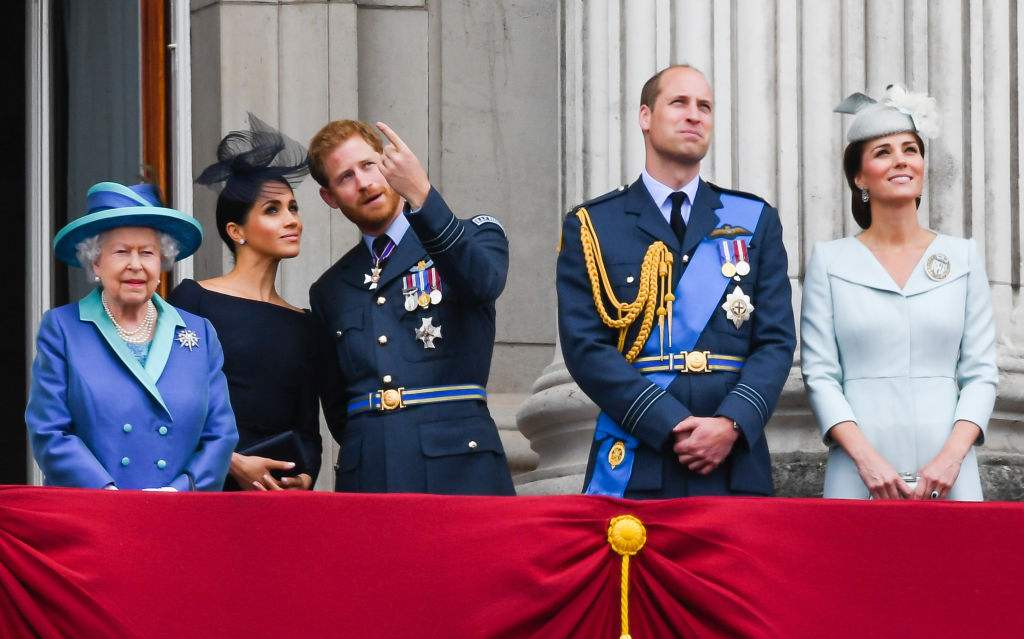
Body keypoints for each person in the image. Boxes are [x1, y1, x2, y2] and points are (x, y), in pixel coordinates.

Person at [556, 65, 796, 499]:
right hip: (639, 453)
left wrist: (732, 423)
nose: (695, 115)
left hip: (733, 460)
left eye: (704, 106)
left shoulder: (753, 220)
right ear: (645, 116)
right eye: (679, 103)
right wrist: (666, 420)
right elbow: (585, 346)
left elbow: (776, 341)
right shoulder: (594, 224)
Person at [801, 86, 997, 501]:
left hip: (950, 474)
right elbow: (820, 375)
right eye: (883, 152)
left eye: (910, 148)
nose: (901, 160)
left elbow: (980, 374)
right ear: (859, 176)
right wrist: (867, 461)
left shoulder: (962, 256)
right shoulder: (829, 261)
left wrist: (951, 459)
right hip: (858, 473)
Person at [307, 119, 515, 495]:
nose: (365, 183)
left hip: (458, 470)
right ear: (330, 197)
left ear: (389, 163)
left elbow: (483, 283)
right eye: (346, 177)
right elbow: (339, 407)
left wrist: (422, 194)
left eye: (369, 165)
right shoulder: (329, 289)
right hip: (369, 474)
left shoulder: (472, 234)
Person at [25, 181, 237, 490]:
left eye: (147, 253)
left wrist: (179, 490)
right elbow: (49, 431)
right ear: (96, 261)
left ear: (161, 261)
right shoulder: (62, 329)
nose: (135, 265)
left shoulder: (199, 333)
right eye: (121, 252)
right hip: (93, 513)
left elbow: (221, 434)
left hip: (178, 514)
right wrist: (108, 494)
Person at [169, 113, 322, 491]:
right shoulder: (194, 299)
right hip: (206, 488)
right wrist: (231, 462)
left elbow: (308, 430)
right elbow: (168, 406)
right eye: (273, 210)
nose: (291, 220)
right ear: (236, 231)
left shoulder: (304, 322)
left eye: (293, 207)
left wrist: (304, 477)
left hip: (275, 498)